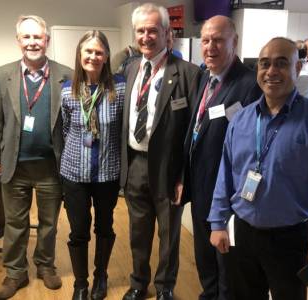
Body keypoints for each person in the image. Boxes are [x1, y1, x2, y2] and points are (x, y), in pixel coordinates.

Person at [209, 37, 308, 300]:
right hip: (243, 233)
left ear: (297, 69)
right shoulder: (242, 119)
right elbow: (225, 174)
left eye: (281, 63)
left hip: (289, 238)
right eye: (264, 64)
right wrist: (217, 222)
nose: (271, 71)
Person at [0, 15, 72, 300]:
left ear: (46, 40)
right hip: (14, 165)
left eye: (38, 37)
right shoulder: (2, 74)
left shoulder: (66, 74)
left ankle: (45, 266)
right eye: (27, 37)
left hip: (51, 166)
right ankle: (15, 273)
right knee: (15, 223)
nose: (33, 42)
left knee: (49, 223)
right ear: (18, 41)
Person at [120, 3, 200, 300]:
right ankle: (139, 283)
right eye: (141, 30)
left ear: (167, 33)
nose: (146, 36)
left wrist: (183, 175)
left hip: (169, 168)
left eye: (153, 30)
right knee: (138, 233)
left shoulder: (189, 74)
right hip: (135, 164)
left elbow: (193, 132)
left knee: (169, 235)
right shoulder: (130, 70)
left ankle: (165, 287)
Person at [181, 15, 262, 300]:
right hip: (201, 184)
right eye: (205, 40)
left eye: (218, 40)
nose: (210, 46)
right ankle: (209, 293)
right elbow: (198, 128)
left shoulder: (250, 84)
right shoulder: (204, 77)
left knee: (227, 261)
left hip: (228, 190)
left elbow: (253, 148)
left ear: (234, 42)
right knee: (204, 254)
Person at [60, 30, 125, 300]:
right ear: (79, 55)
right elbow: (65, 130)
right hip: (74, 173)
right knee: (78, 231)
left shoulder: (120, 87)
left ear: (106, 55)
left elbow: (123, 129)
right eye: (88, 51)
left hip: (107, 173)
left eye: (99, 52)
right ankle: (80, 283)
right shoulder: (68, 89)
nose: (93, 56)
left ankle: (101, 275)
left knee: (105, 227)